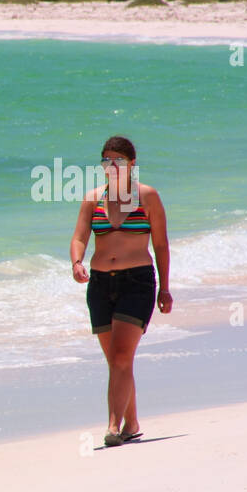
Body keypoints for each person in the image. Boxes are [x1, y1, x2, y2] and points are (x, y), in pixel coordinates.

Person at [70, 135, 172, 446]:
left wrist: (165, 289)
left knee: (120, 357)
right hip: (100, 284)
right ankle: (133, 422)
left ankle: (113, 427)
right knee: (116, 360)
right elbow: (79, 237)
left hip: (137, 282)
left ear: (132, 164)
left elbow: (161, 245)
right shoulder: (93, 198)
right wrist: (76, 262)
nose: (112, 166)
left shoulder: (147, 196)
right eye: (106, 160)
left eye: (119, 160)